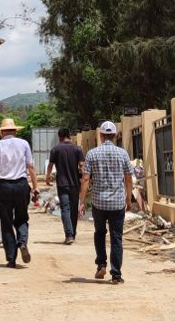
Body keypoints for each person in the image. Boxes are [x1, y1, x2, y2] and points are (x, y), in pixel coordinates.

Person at [79, 121, 133, 284]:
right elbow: (128, 178)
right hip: (117, 203)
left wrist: (82, 201)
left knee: (99, 233)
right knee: (116, 237)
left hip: (99, 202)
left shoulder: (92, 154)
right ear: (115, 135)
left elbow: (86, 179)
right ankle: (116, 274)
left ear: (101, 135)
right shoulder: (122, 154)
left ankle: (101, 264)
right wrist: (128, 198)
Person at [0, 118, 39, 268]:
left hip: (4, 186)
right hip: (21, 185)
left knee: (6, 222)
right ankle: (22, 242)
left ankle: (11, 258)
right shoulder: (24, 144)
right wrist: (35, 187)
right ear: (15, 131)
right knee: (22, 217)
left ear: (2, 132)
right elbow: (30, 167)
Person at [45, 128, 85, 244]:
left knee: (65, 209)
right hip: (75, 184)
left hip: (62, 184)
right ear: (69, 136)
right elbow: (82, 165)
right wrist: (84, 179)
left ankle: (69, 235)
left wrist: (47, 177)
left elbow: (50, 165)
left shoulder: (55, 149)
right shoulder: (77, 149)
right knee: (73, 209)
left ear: (59, 137)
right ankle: (73, 233)